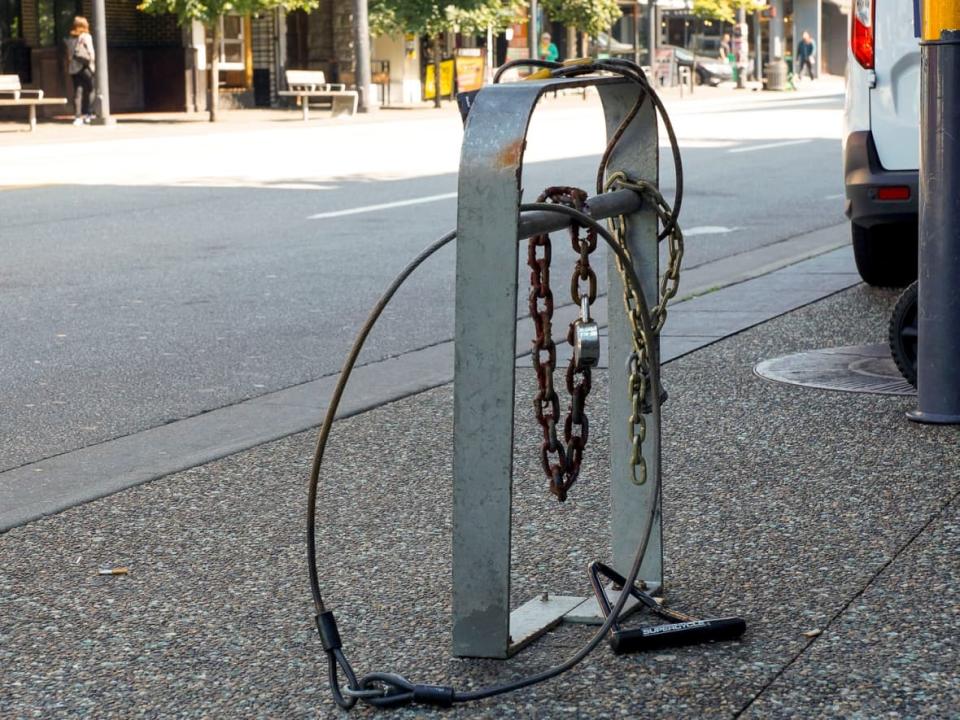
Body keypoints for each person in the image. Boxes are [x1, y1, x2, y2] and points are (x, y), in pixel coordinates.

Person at [66, 16, 95, 125]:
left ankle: (77, 117)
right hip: (85, 67)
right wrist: (93, 64)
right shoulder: (86, 37)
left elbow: (69, 56)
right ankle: (89, 114)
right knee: (92, 89)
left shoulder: (71, 38)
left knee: (78, 92)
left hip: (73, 69)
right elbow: (91, 53)